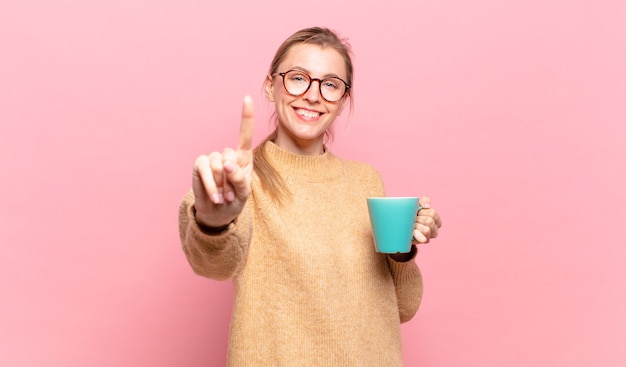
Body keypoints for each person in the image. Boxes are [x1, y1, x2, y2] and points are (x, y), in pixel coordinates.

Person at [178, 26, 443, 366]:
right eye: (298, 78)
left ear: (343, 100)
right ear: (271, 86)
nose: (313, 95)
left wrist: (404, 251)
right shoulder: (239, 179)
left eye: (330, 84)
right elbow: (213, 265)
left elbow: (401, 308)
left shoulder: (366, 181)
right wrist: (214, 222)